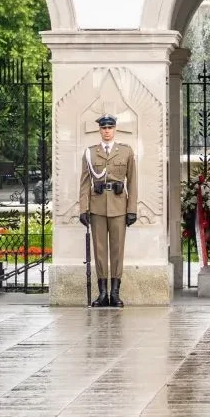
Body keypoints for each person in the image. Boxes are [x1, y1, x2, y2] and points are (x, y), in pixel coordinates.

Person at [79, 115, 136, 308]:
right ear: (99, 130)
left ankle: (115, 293)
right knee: (100, 250)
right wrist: (83, 208)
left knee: (117, 250)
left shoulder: (126, 152)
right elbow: (85, 182)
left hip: (119, 206)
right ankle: (102, 293)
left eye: (110, 127)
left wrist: (132, 209)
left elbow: (133, 182)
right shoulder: (90, 153)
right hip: (97, 207)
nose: (107, 131)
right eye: (104, 128)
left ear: (115, 129)